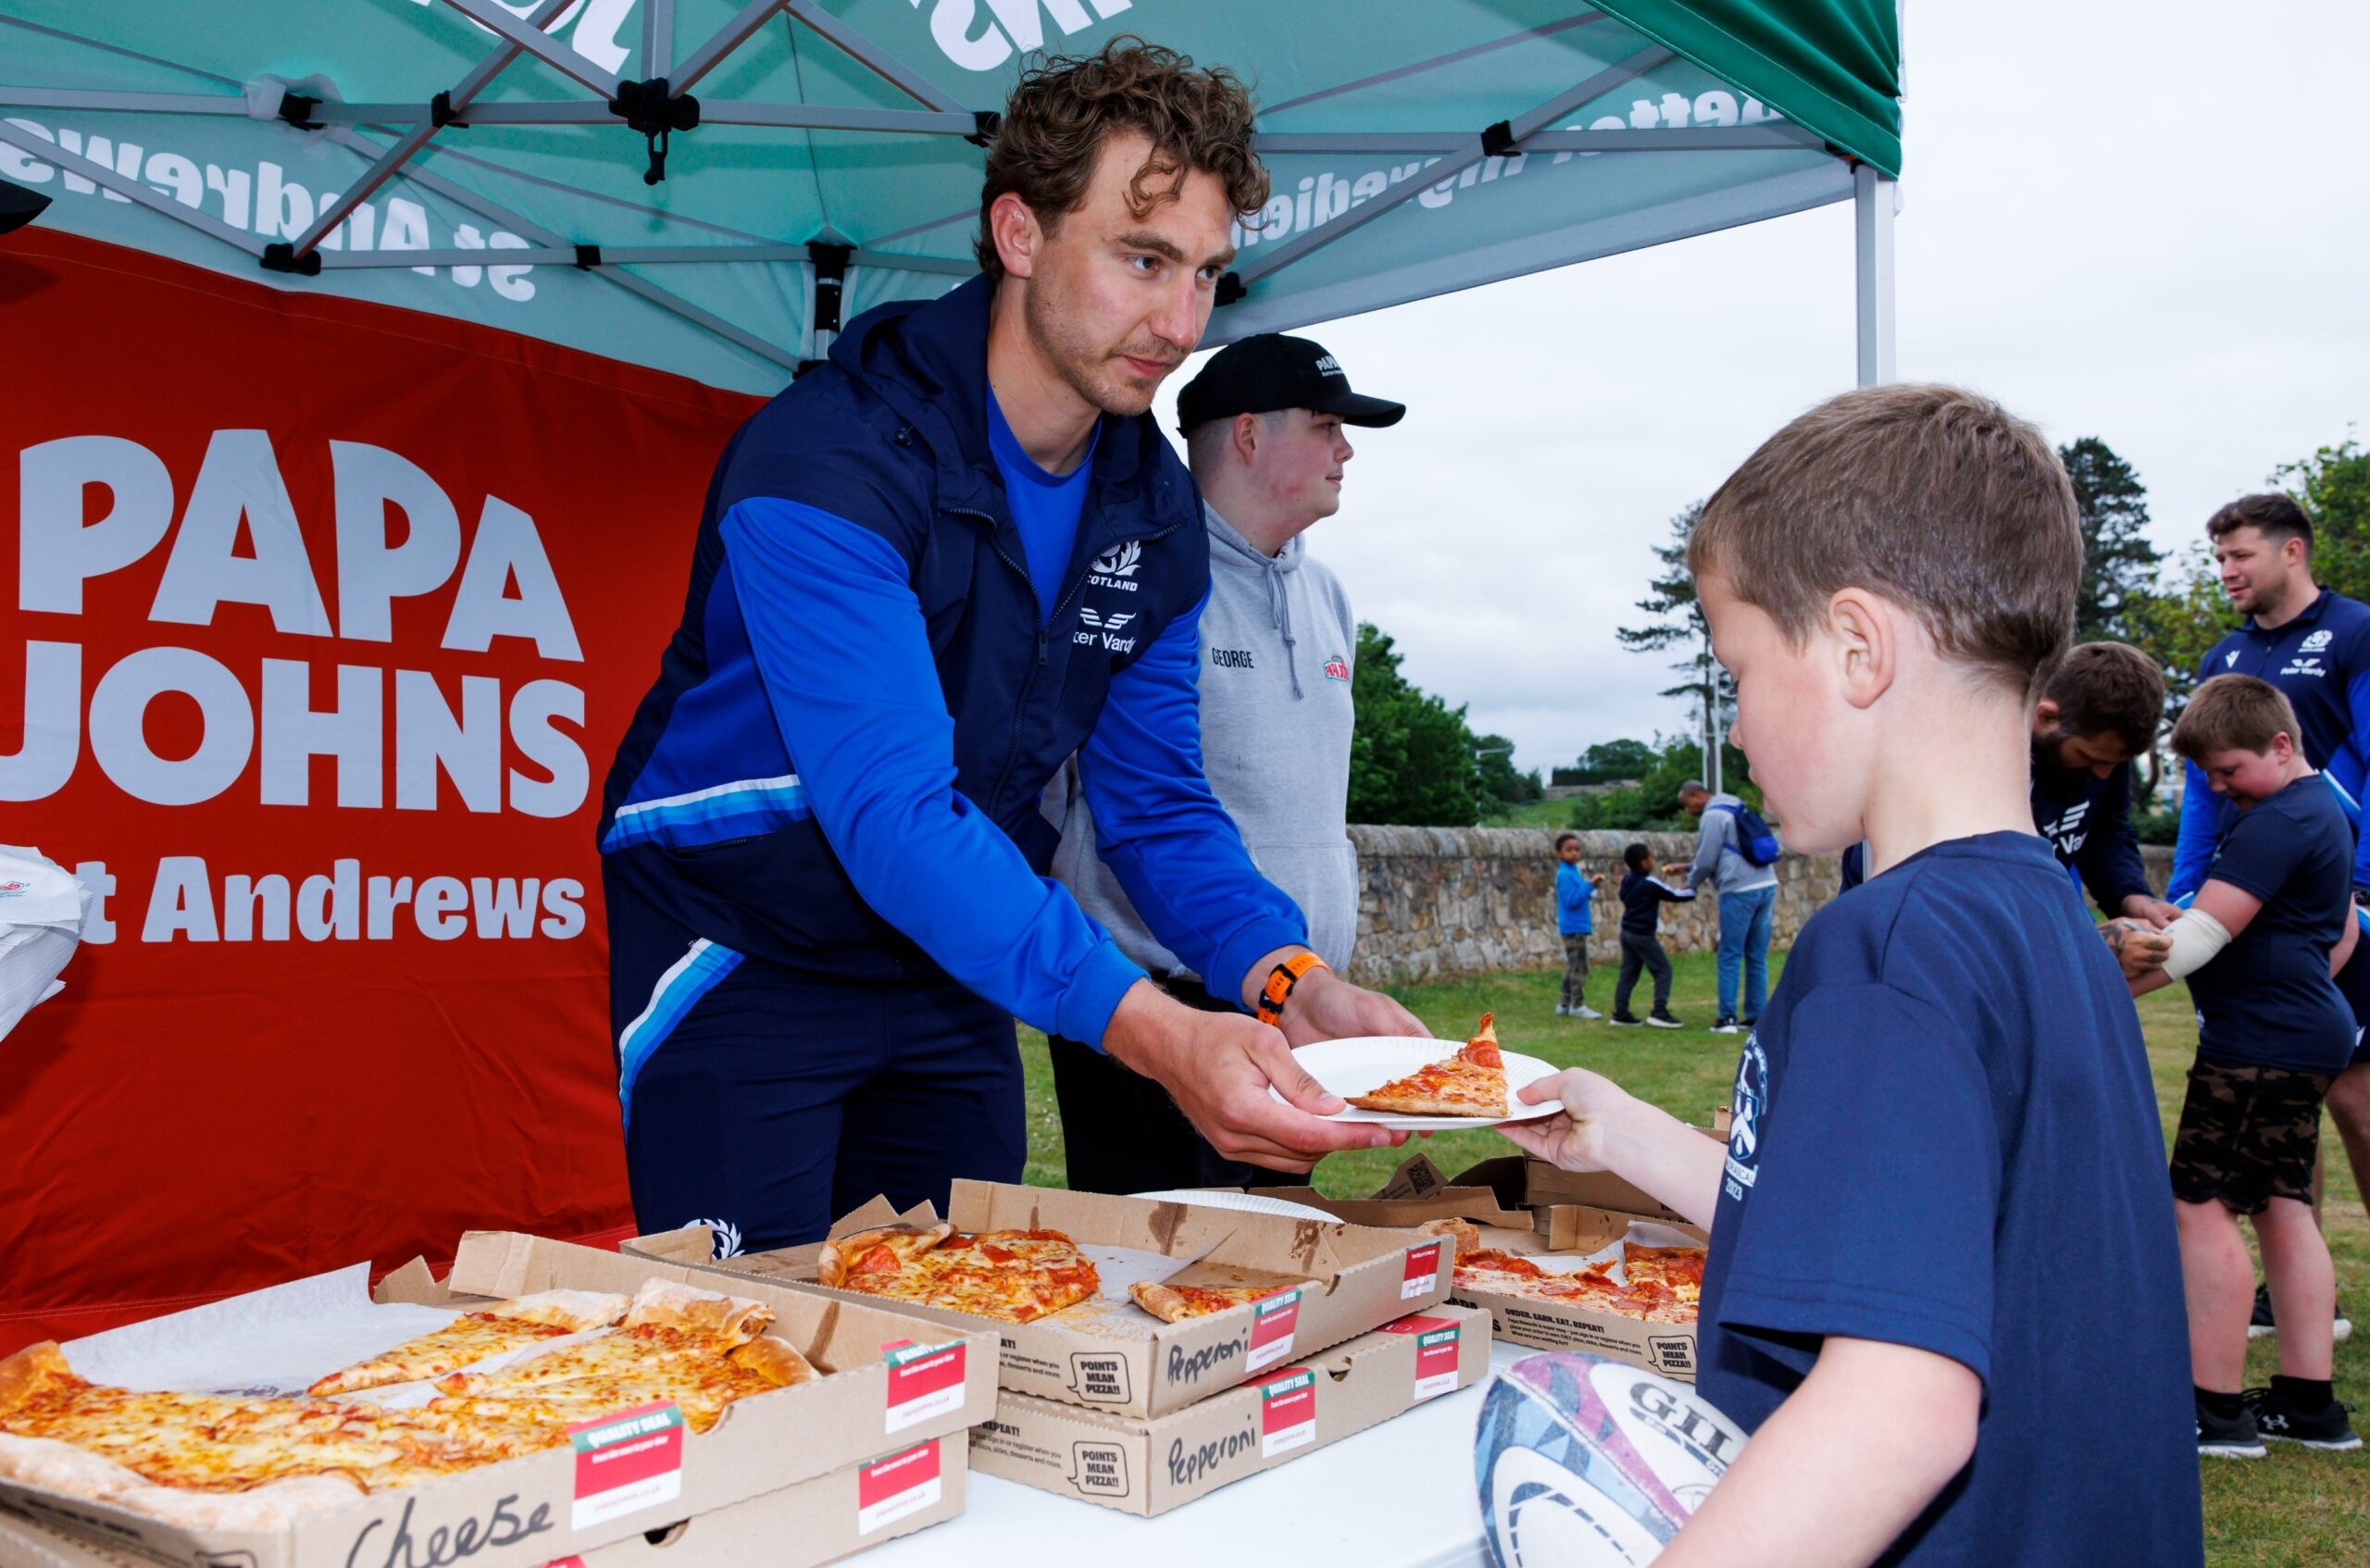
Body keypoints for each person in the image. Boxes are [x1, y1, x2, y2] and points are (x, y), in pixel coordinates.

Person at [595, 41, 1422, 1257]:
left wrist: (1292, 979)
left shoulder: (1153, 508)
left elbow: (1155, 807)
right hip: (743, 940)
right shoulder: (825, 459)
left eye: (1205, 274)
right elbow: (893, 814)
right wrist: (1154, 1031)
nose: (1179, 323)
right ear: (1020, 232)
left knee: (962, 1322)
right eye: (1143, 260)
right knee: (745, 1338)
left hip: (947, 956)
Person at [1506, 385, 2201, 1564]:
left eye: (1738, 670)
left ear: (1856, 648)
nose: (1735, 729)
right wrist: (1620, 1132)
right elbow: (1887, 1241)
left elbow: (1896, 1406)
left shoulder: (1884, 948)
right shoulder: (2041, 920)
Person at [1043, 330, 1406, 1193]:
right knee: (1163, 1255)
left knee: (1279, 1254)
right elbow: (1075, 787)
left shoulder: (1329, 595)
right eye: (1326, 426)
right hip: (1155, 1003)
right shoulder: (1133, 582)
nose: (1347, 450)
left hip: (1294, 988)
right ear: (1248, 435)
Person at [2111, 677, 2362, 1456]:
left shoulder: (2278, 821)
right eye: (2208, 776)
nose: (2219, 789)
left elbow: (2197, 940)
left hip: (2260, 1043)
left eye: (2228, 770)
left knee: (2202, 1205)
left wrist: (2089, 986)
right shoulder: (2322, 809)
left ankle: (2216, 1413)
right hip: (2305, 1029)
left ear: (2281, 746)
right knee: (2282, 1204)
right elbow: (2341, 932)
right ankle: (2309, 1407)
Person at [2164, 492, 2370, 1342]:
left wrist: (2361, 887)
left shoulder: (2355, 632)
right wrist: (2186, 891)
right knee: (2282, 1116)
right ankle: (2297, 1306)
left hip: (2338, 895)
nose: (2226, 571)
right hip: (2248, 902)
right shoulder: (2225, 656)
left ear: (2293, 550)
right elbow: (2202, 792)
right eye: (2218, 558)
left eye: (2239, 554)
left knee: (2355, 1102)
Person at [1839, 641, 2183, 934]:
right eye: (2090, 757)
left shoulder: (2101, 754)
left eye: (2115, 763)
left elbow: (2105, 834)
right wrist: (2089, 943)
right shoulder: (1959, 759)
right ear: (2045, 716)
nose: (2104, 775)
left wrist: (2131, 896)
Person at [1678, 779, 1778, 1034]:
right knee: (1756, 955)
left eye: (1686, 803)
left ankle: (1727, 1018)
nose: (1687, 810)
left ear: (1696, 795)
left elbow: (1706, 860)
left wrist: (1691, 883)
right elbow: (1730, 850)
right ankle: (1756, 1016)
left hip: (1738, 889)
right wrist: (1688, 867)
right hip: (1766, 883)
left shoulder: (1712, 816)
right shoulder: (1735, 806)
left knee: (1730, 954)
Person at [1609, 842, 1690, 1029]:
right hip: (1642, 935)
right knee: (1663, 970)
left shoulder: (1627, 880)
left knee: (1628, 974)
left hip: (1627, 932)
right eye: (1651, 857)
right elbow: (1675, 895)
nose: (1654, 860)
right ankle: (1659, 1012)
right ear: (1643, 862)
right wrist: (1691, 886)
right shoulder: (1649, 882)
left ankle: (1621, 1013)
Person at [1553, 833, 1605, 1019]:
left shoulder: (1573, 871)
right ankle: (1577, 1004)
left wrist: (1590, 887)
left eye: (1577, 849)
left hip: (1578, 926)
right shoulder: (1564, 874)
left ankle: (1564, 1003)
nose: (1574, 853)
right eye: (1569, 850)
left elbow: (1579, 894)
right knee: (1579, 967)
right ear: (1559, 853)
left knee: (1572, 965)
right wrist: (1589, 885)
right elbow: (1571, 900)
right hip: (1573, 926)